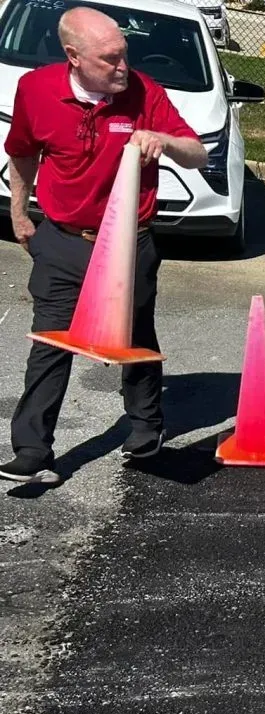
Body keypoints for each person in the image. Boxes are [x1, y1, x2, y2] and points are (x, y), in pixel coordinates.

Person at [0, 6, 205, 485]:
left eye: (124, 55)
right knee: (50, 341)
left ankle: (145, 430)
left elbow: (198, 153)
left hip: (129, 245)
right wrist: (19, 214)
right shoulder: (37, 89)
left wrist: (163, 140)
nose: (122, 67)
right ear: (73, 57)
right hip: (63, 239)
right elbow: (24, 153)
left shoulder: (144, 92)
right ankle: (32, 450)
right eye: (109, 59)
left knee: (133, 337)